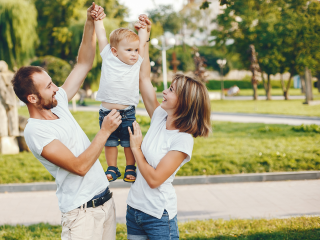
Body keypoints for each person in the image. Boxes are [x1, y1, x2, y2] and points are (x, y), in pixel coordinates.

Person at [11, 3, 120, 239]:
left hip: (105, 204)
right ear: (32, 98)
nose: (55, 88)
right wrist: (104, 132)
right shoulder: (36, 131)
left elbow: (83, 63)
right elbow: (79, 167)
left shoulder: (57, 102)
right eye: (48, 86)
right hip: (81, 216)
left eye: (52, 82)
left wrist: (89, 23)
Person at [125, 16, 212, 239]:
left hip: (158, 217)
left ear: (184, 102)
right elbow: (143, 78)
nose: (164, 91)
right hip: (134, 210)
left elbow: (154, 180)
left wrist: (136, 148)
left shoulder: (182, 140)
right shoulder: (160, 117)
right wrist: (144, 35)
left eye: (171, 90)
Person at [91, 8, 149, 183]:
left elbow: (143, 43)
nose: (134, 53)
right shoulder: (109, 56)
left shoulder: (136, 61)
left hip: (127, 113)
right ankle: (112, 168)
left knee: (128, 142)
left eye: (136, 50)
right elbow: (102, 36)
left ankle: (130, 167)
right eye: (129, 50)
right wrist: (97, 20)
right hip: (107, 113)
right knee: (109, 142)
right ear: (115, 51)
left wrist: (143, 28)